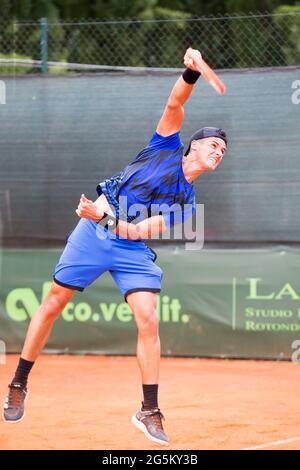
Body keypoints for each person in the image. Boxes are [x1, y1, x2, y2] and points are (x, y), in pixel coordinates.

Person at [3, 48, 227, 446]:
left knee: (149, 319)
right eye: (213, 145)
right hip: (94, 233)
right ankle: (19, 382)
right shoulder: (164, 144)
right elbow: (176, 101)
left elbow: (137, 234)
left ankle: (149, 410)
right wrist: (190, 72)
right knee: (53, 303)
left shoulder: (188, 205)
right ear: (192, 146)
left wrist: (99, 217)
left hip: (121, 238)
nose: (218, 152)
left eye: (223, 152)